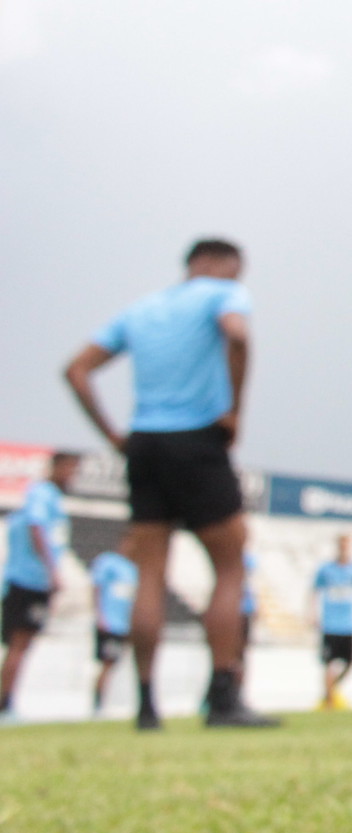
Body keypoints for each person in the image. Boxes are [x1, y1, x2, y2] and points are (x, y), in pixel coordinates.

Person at [64, 239, 277, 728]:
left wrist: (114, 436)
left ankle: (145, 703)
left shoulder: (140, 310)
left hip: (145, 443)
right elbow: (238, 336)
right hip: (197, 440)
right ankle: (223, 694)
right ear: (219, 264)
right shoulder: (221, 295)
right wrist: (235, 409)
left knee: (150, 575)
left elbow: (77, 371)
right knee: (229, 565)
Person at [1, 452, 77, 721]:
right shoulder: (42, 493)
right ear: (57, 466)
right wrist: (52, 572)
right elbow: (36, 527)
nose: (73, 476)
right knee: (18, 645)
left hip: (34, 582)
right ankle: (4, 705)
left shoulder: (51, 497)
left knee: (21, 645)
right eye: (71, 468)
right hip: (27, 581)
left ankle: (7, 703)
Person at [308, 534, 352, 711]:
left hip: (349, 624)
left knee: (351, 662)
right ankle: (329, 702)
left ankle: (330, 692)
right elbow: (314, 591)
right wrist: (312, 613)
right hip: (330, 623)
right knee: (329, 663)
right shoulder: (326, 569)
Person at [90, 538, 139, 716]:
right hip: (110, 623)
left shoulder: (134, 569)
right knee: (107, 663)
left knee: (117, 662)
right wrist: (100, 616)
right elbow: (96, 588)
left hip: (125, 625)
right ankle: (97, 704)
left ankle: (107, 702)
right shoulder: (109, 562)